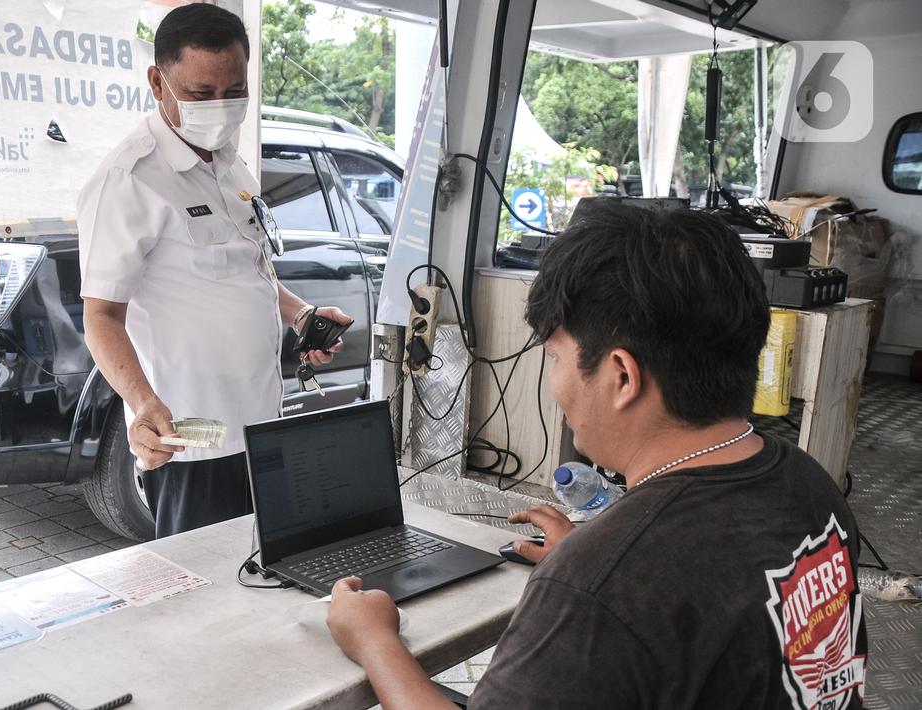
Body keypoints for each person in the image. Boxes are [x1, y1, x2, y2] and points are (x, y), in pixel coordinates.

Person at [326, 204, 867, 709]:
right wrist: (593, 555)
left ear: (621, 377)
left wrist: (373, 640)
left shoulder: (598, 586)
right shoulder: (807, 482)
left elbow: (647, 584)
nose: (554, 380)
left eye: (556, 356)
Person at [77, 4, 350, 538]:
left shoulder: (228, 161)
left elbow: (247, 266)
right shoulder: (129, 179)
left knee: (265, 574)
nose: (221, 107)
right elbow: (101, 316)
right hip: (197, 440)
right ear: (158, 82)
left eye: (235, 91)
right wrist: (144, 403)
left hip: (262, 424)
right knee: (202, 597)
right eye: (202, 94)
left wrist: (300, 315)